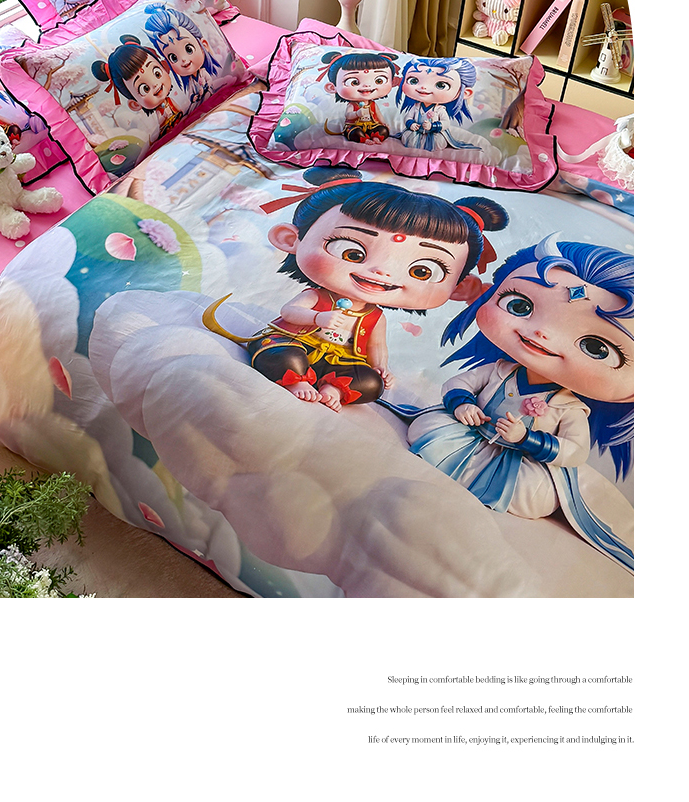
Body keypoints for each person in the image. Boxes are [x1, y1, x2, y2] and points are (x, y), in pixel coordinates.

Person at [397, 234, 634, 567]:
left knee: (534, 494)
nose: (542, 334)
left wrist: (527, 439)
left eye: (596, 348)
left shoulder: (569, 407)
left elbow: (575, 451)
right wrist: (463, 404)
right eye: (520, 306)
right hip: (471, 435)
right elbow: (460, 382)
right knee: (428, 424)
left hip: (519, 461)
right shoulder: (501, 370)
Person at [203, 166, 508, 412]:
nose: (382, 272)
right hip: (298, 342)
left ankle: (333, 388)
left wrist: (381, 367)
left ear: (458, 287)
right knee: (282, 355)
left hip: (339, 360)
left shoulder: (375, 318)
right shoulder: (318, 297)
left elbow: (377, 347)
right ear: (289, 239)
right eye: (352, 252)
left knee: (371, 384)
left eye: (421, 271)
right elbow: (289, 312)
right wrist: (317, 318)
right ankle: (297, 380)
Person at [91, 35, 183, 134]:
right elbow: (161, 123)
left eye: (157, 74)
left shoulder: (170, 101)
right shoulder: (156, 113)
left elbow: (179, 110)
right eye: (145, 88)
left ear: (164, 67)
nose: (155, 84)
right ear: (135, 104)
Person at [144, 3, 221, 112]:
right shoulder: (190, 81)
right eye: (173, 58)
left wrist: (205, 87)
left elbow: (210, 82)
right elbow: (191, 94)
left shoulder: (203, 73)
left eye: (189, 49)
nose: (183, 59)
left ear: (203, 45)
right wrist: (194, 97)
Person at [321, 50, 398, 144]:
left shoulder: (372, 104)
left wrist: (383, 123)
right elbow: (348, 115)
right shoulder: (352, 105)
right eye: (354, 82)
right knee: (355, 133)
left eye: (379, 81)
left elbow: (378, 114)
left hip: (371, 125)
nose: (367, 85)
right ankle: (364, 139)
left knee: (383, 130)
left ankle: (376, 137)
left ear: (393, 82)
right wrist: (357, 114)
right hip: (355, 126)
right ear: (332, 87)